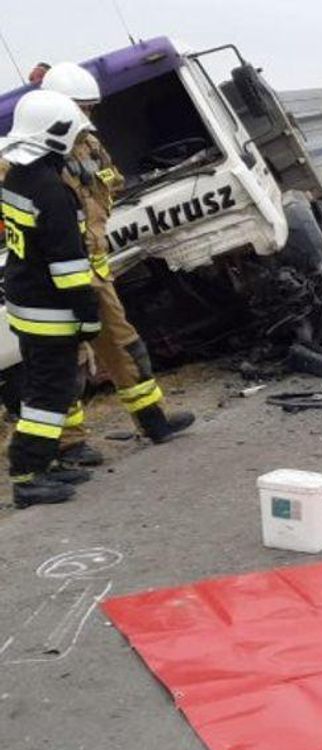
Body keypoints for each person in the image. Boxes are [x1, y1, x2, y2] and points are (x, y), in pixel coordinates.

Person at [41, 62, 194, 466]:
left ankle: (153, 420)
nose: (86, 116)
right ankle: (69, 445)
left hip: (94, 268)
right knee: (64, 360)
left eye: (89, 109)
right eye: (81, 108)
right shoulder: (24, 158)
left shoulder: (88, 144)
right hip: (53, 277)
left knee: (125, 344)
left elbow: (113, 181)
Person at [1, 90, 100, 507]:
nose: (79, 146)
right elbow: (68, 266)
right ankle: (28, 475)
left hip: (26, 302)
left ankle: (45, 462)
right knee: (49, 394)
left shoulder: (18, 180)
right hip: (49, 309)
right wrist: (89, 316)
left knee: (42, 389)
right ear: (56, 135)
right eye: (75, 137)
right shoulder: (51, 192)